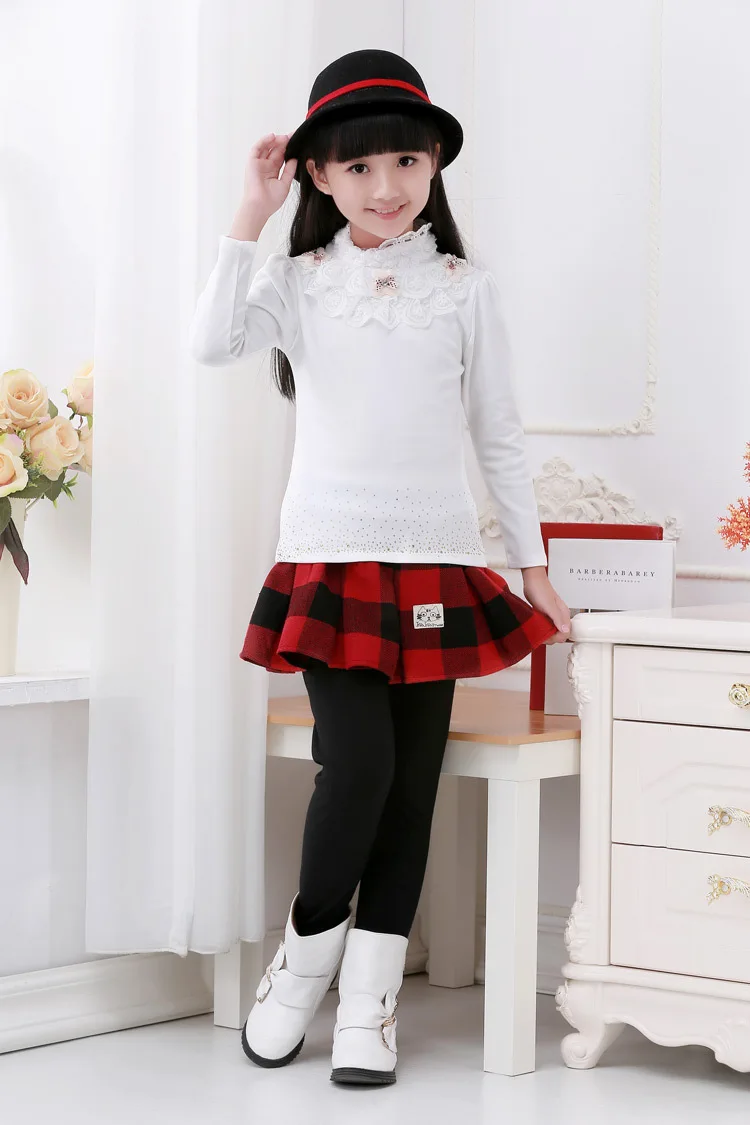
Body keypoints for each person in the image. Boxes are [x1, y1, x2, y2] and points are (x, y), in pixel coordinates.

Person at [188, 48, 571, 1088]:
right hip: (329, 562)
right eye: (358, 167)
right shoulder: (297, 283)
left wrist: (530, 565)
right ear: (319, 174)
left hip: (438, 567)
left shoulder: (465, 290)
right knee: (356, 766)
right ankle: (300, 969)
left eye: (406, 160)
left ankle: (371, 1003)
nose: (387, 185)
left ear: (435, 162)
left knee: (410, 788)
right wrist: (250, 213)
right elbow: (210, 343)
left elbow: (499, 434)